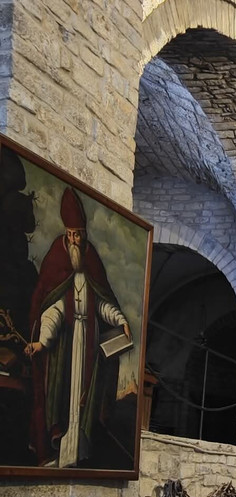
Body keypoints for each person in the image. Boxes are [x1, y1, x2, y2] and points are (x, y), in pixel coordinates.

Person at [25, 187, 131, 468]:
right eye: (70, 233)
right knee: (65, 395)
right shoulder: (57, 259)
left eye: (78, 234)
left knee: (83, 400)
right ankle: (60, 451)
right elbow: (53, 310)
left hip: (89, 342)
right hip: (66, 347)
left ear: (84, 234)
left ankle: (79, 452)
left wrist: (120, 320)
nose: (73, 239)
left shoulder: (91, 261)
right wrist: (42, 341)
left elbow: (101, 304)